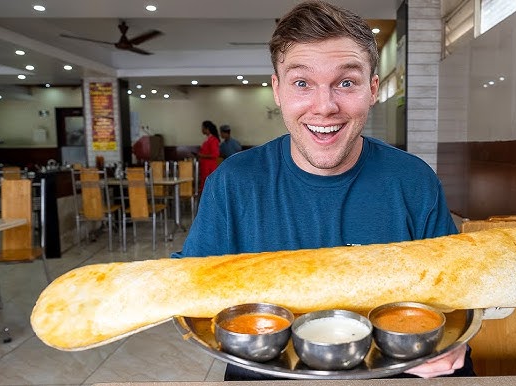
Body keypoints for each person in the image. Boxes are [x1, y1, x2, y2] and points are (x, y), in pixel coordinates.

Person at [173, 0, 472, 380]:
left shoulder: (413, 180)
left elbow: (453, 296)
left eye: (346, 82)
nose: (325, 106)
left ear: (372, 89)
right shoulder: (233, 182)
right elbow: (192, 289)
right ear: (278, 90)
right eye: (302, 83)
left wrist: (451, 338)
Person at [197, 120, 220, 192]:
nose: (202, 130)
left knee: (209, 185)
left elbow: (215, 154)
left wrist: (202, 155)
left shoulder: (213, 140)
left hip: (209, 167)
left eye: (203, 128)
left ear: (207, 129)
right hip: (205, 166)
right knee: (204, 184)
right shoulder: (207, 139)